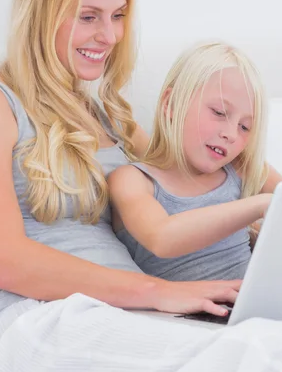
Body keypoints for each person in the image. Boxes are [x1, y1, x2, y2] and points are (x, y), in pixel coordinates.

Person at [0, 0, 244, 321]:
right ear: (39, 15)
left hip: (130, 313)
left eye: (118, 15)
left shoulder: (111, 118)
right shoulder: (2, 105)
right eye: (88, 16)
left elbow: (189, 183)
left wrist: (273, 209)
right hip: (43, 316)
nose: (110, 36)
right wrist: (158, 291)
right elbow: (4, 258)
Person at [109, 42, 273, 281]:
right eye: (219, 113)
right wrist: (258, 206)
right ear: (172, 103)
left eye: (245, 126)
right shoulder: (133, 180)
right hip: (186, 315)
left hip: (246, 307)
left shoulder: (240, 169)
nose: (232, 134)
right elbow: (161, 238)